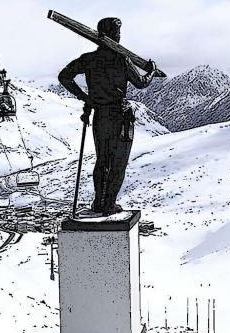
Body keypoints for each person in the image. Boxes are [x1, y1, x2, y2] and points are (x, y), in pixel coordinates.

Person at [59, 17, 159, 216]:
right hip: (120, 117)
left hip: (100, 115)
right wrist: (152, 72)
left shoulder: (89, 59)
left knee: (102, 160)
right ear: (116, 36)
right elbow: (140, 83)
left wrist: (86, 98)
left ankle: (99, 202)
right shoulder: (122, 60)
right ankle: (109, 204)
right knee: (118, 162)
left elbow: (64, 76)